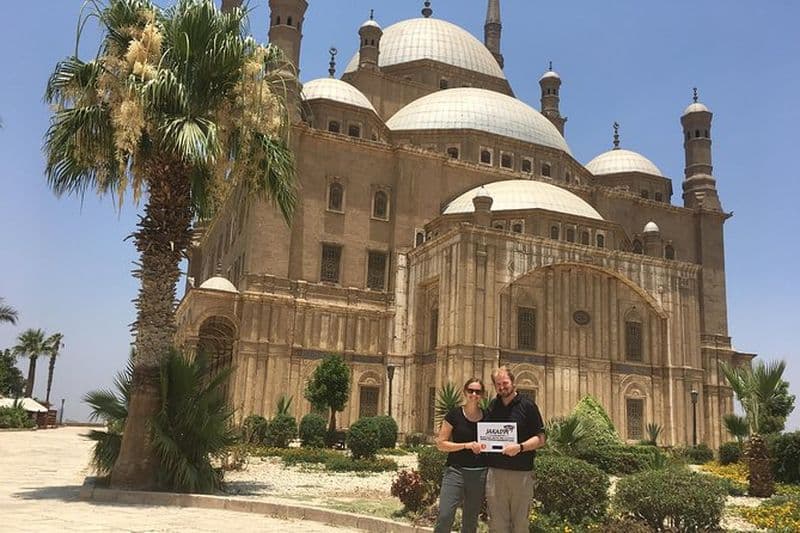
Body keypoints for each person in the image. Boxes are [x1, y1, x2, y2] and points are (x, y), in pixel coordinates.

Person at [484, 366, 545, 533]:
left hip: (521, 474)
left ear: (513, 382)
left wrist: (520, 447)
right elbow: (486, 434)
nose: (502, 387)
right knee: (497, 524)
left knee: (520, 524)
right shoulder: (493, 406)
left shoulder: (528, 406)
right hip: (496, 473)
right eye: (498, 384)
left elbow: (541, 438)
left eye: (505, 382)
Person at [433, 378, 488, 533]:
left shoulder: (487, 416)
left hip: (478, 474)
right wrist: (466, 445)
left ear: (482, 395)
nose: (474, 394)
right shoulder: (454, 415)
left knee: (470, 522)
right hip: (455, 471)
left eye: (478, 391)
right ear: (465, 392)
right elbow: (441, 443)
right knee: (445, 516)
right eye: (471, 390)